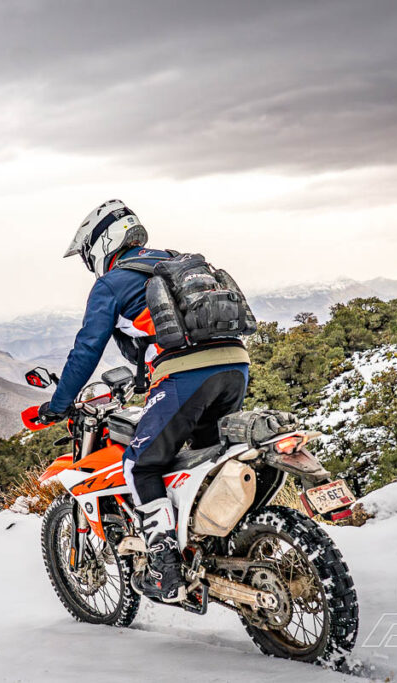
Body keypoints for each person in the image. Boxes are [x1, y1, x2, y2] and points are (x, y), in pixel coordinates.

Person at [39, 199, 250, 604]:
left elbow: (87, 349)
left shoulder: (112, 283)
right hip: (235, 365)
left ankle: (165, 568)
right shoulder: (174, 261)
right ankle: (223, 549)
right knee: (207, 462)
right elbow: (151, 341)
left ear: (102, 245)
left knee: (141, 464)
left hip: (188, 373)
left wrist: (59, 402)